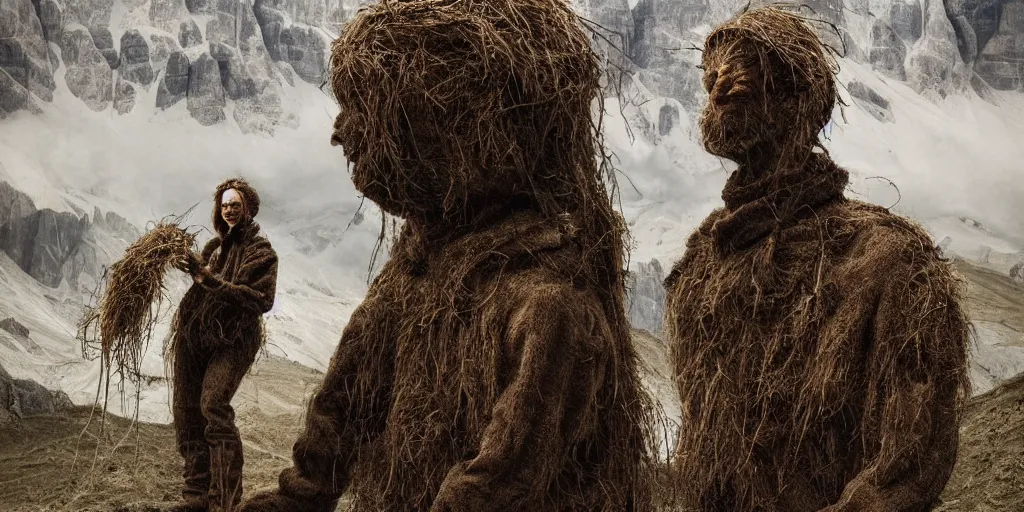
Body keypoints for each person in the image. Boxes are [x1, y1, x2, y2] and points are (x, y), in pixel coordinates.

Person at [239, 0, 656, 511]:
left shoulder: (547, 304)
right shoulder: (417, 267)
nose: (341, 132)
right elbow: (347, 402)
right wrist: (299, 496)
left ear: (449, 125)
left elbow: (501, 479)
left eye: (369, 108)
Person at [663, 6, 971, 511]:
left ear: (798, 100)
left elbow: (905, 464)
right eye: (711, 75)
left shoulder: (889, 259)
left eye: (741, 73)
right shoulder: (701, 264)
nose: (717, 87)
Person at [168, 178, 279, 512]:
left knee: (213, 405)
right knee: (187, 410)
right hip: (198, 337)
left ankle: (223, 501)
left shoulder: (261, 252)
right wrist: (187, 264)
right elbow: (202, 283)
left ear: (249, 208)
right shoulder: (213, 249)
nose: (229, 210)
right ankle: (196, 496)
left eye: (236, 204)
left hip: (234, 339)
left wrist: (208, 279)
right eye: (225, 204)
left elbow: (258, 299)